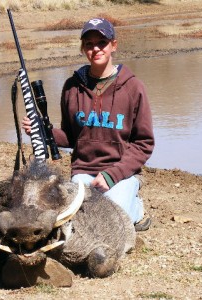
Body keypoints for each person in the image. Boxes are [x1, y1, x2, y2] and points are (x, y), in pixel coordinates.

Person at [22, 18, 155, 230]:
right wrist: (42, 132)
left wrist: (113, 175)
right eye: (89, 44)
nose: (96, 48)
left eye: (102, 42)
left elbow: (144, 143)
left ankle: (136, 208)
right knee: (77, 222)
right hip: (83, 171)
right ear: (83, 48)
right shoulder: (71, 87)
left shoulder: (134, 87)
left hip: (121, 172)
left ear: (113, 45)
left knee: (111, 222)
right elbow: (71, 137)